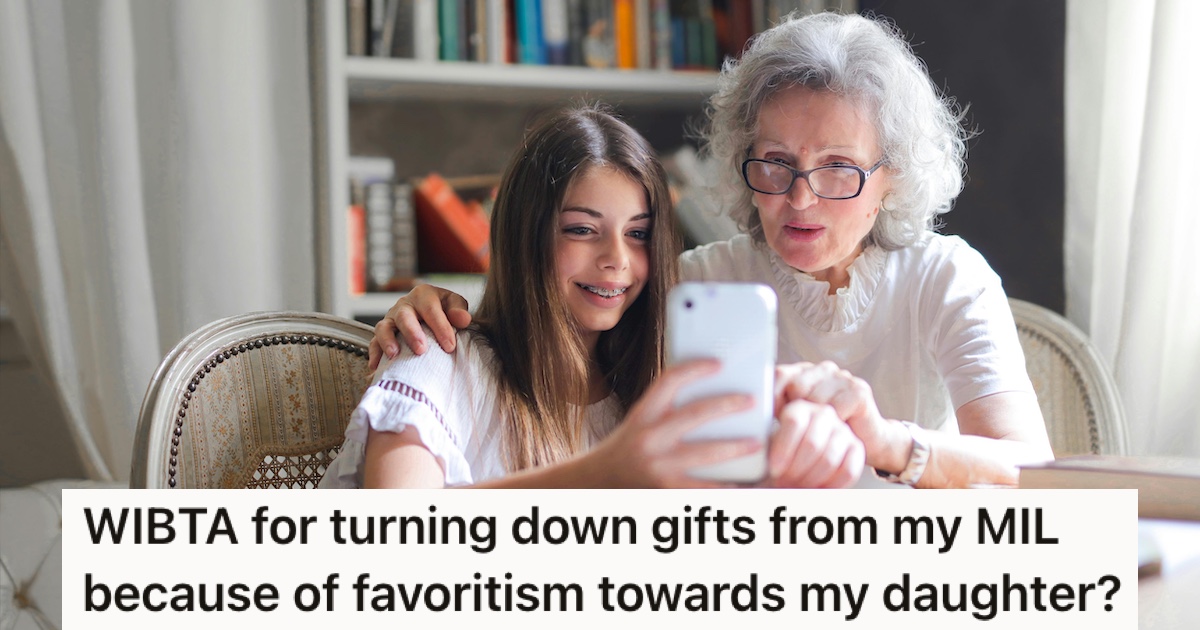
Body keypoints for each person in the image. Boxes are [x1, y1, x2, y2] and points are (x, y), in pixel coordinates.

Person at [369, 13, 1055, 489]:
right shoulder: (692, 284)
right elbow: (555, 330)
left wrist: (887, 442)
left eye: (839, 169)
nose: (800, 199)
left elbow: (1032, 471)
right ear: (741, 159)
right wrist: (428, 307)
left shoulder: (946, 276)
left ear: (892, 179)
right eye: (776, 162)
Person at [320, 104, 864, 489]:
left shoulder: (647, 386)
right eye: (581, 230)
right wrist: (607, 473)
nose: (617, 260)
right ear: (526, 234)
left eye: (639, 233)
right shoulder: (437, 360)